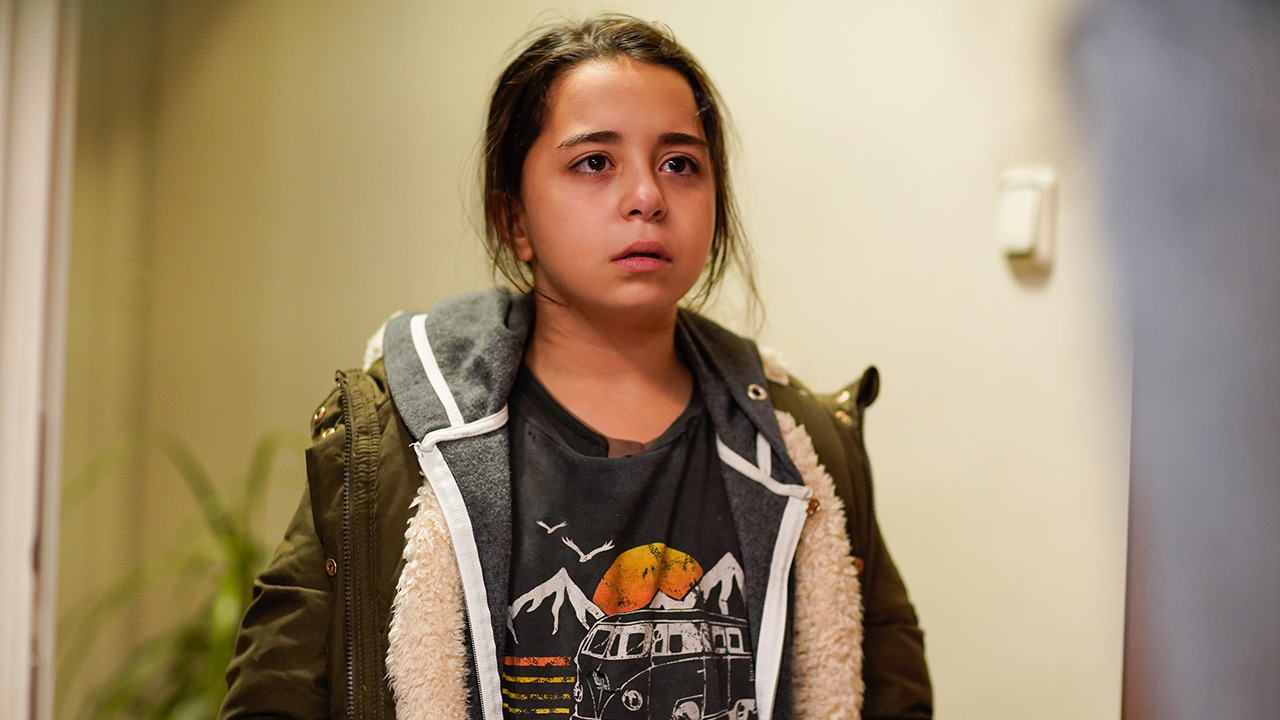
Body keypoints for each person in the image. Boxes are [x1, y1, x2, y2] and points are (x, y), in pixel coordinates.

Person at [219, 14, 930, 720]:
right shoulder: (395, 441)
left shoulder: (804, 451)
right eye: (595, 162)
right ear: (514, 221)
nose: (647, 197)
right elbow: (274, 695)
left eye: (680, 164)